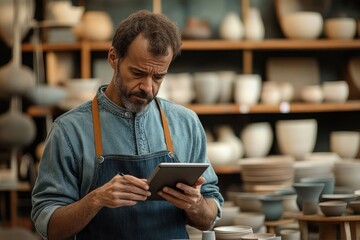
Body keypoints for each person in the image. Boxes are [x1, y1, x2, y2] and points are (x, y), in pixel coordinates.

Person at [31, 10, 223, 240]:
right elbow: (49, 226)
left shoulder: (186, 123)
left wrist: (196, 204)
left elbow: (209, 217)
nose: (148, 87)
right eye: (138, 73)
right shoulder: (69, 131)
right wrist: (96, 199)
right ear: (113, 58)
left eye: (158, 77)